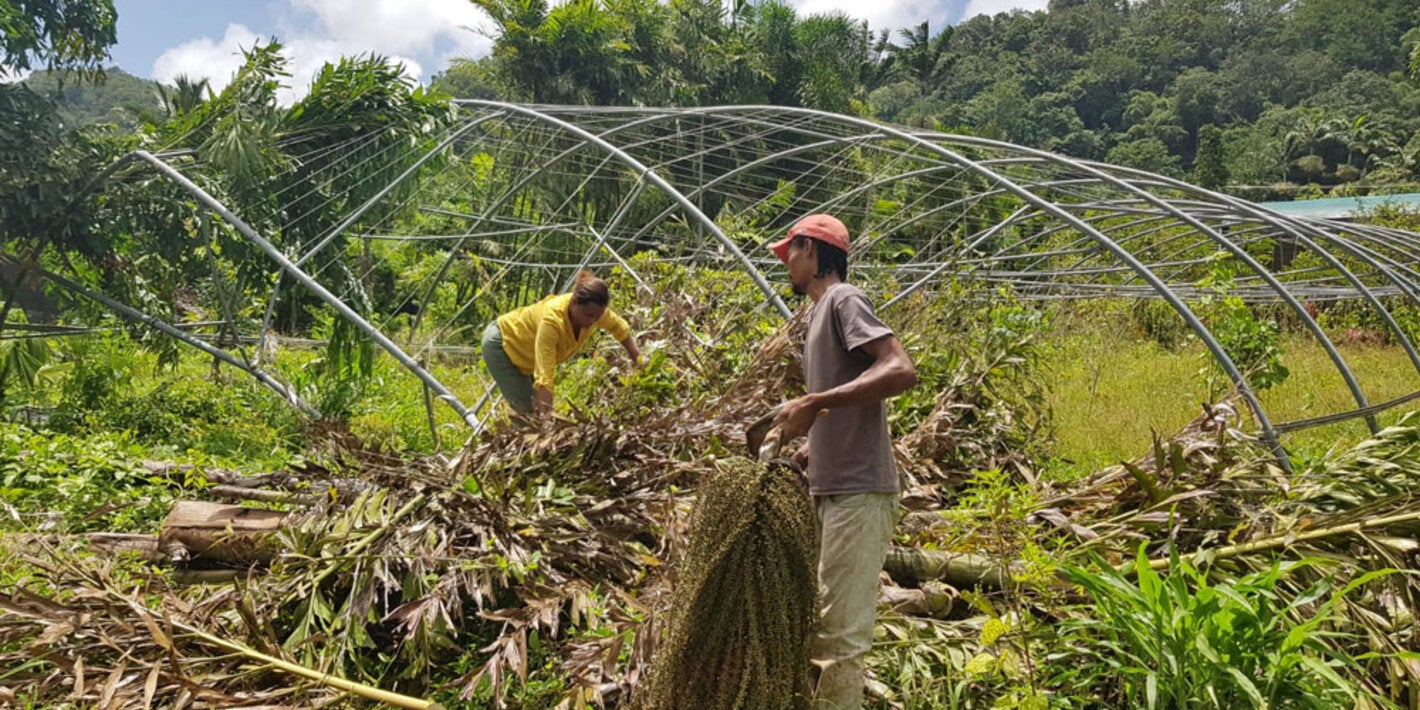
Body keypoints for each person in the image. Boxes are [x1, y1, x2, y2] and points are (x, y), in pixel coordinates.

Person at [769, 214, 917, 710]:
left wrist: (813, 404)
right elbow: (847, 395)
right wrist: (816, 439)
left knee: (839, 639)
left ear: (811, 250)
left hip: (858, 491)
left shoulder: (842, 299)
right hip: (831, 488)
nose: (785, 264)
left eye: (790, 251)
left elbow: (899, 369)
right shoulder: (817, 315)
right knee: (818, 624)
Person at [481, 271, 640, 415]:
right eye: (588, 315)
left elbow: (619, 328)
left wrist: (638, 360)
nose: (592, 321)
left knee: (536, 408)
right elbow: (545, 375)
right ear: (574, 301)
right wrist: (547, 422)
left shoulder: (595, 312)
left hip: (527, 353)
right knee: (527, 413)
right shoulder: (552, 321)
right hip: (503, 343)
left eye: (597, 317)